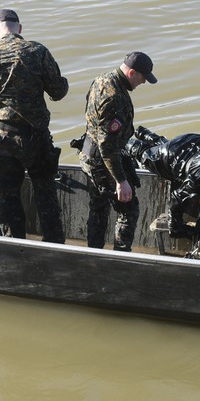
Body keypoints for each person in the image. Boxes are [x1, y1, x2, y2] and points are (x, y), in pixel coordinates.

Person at [0, 8, 69, 243]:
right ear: (20, 29)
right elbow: (58, 92)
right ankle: (55, 246)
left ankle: (14, 245)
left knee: (8, 195)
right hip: (36, 136)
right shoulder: (37, 51)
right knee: (45, 192)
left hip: (3, 136)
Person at [75, 51, 158, 251]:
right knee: (128, 209)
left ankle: (94, 252)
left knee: (99, 208)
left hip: (88, 155)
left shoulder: (101, 79)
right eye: (142, 77)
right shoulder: (115, 98)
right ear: (131, 73)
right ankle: (121, 256)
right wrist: (121, 182)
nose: (143, 82)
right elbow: (107, 145)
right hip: (104, 160)